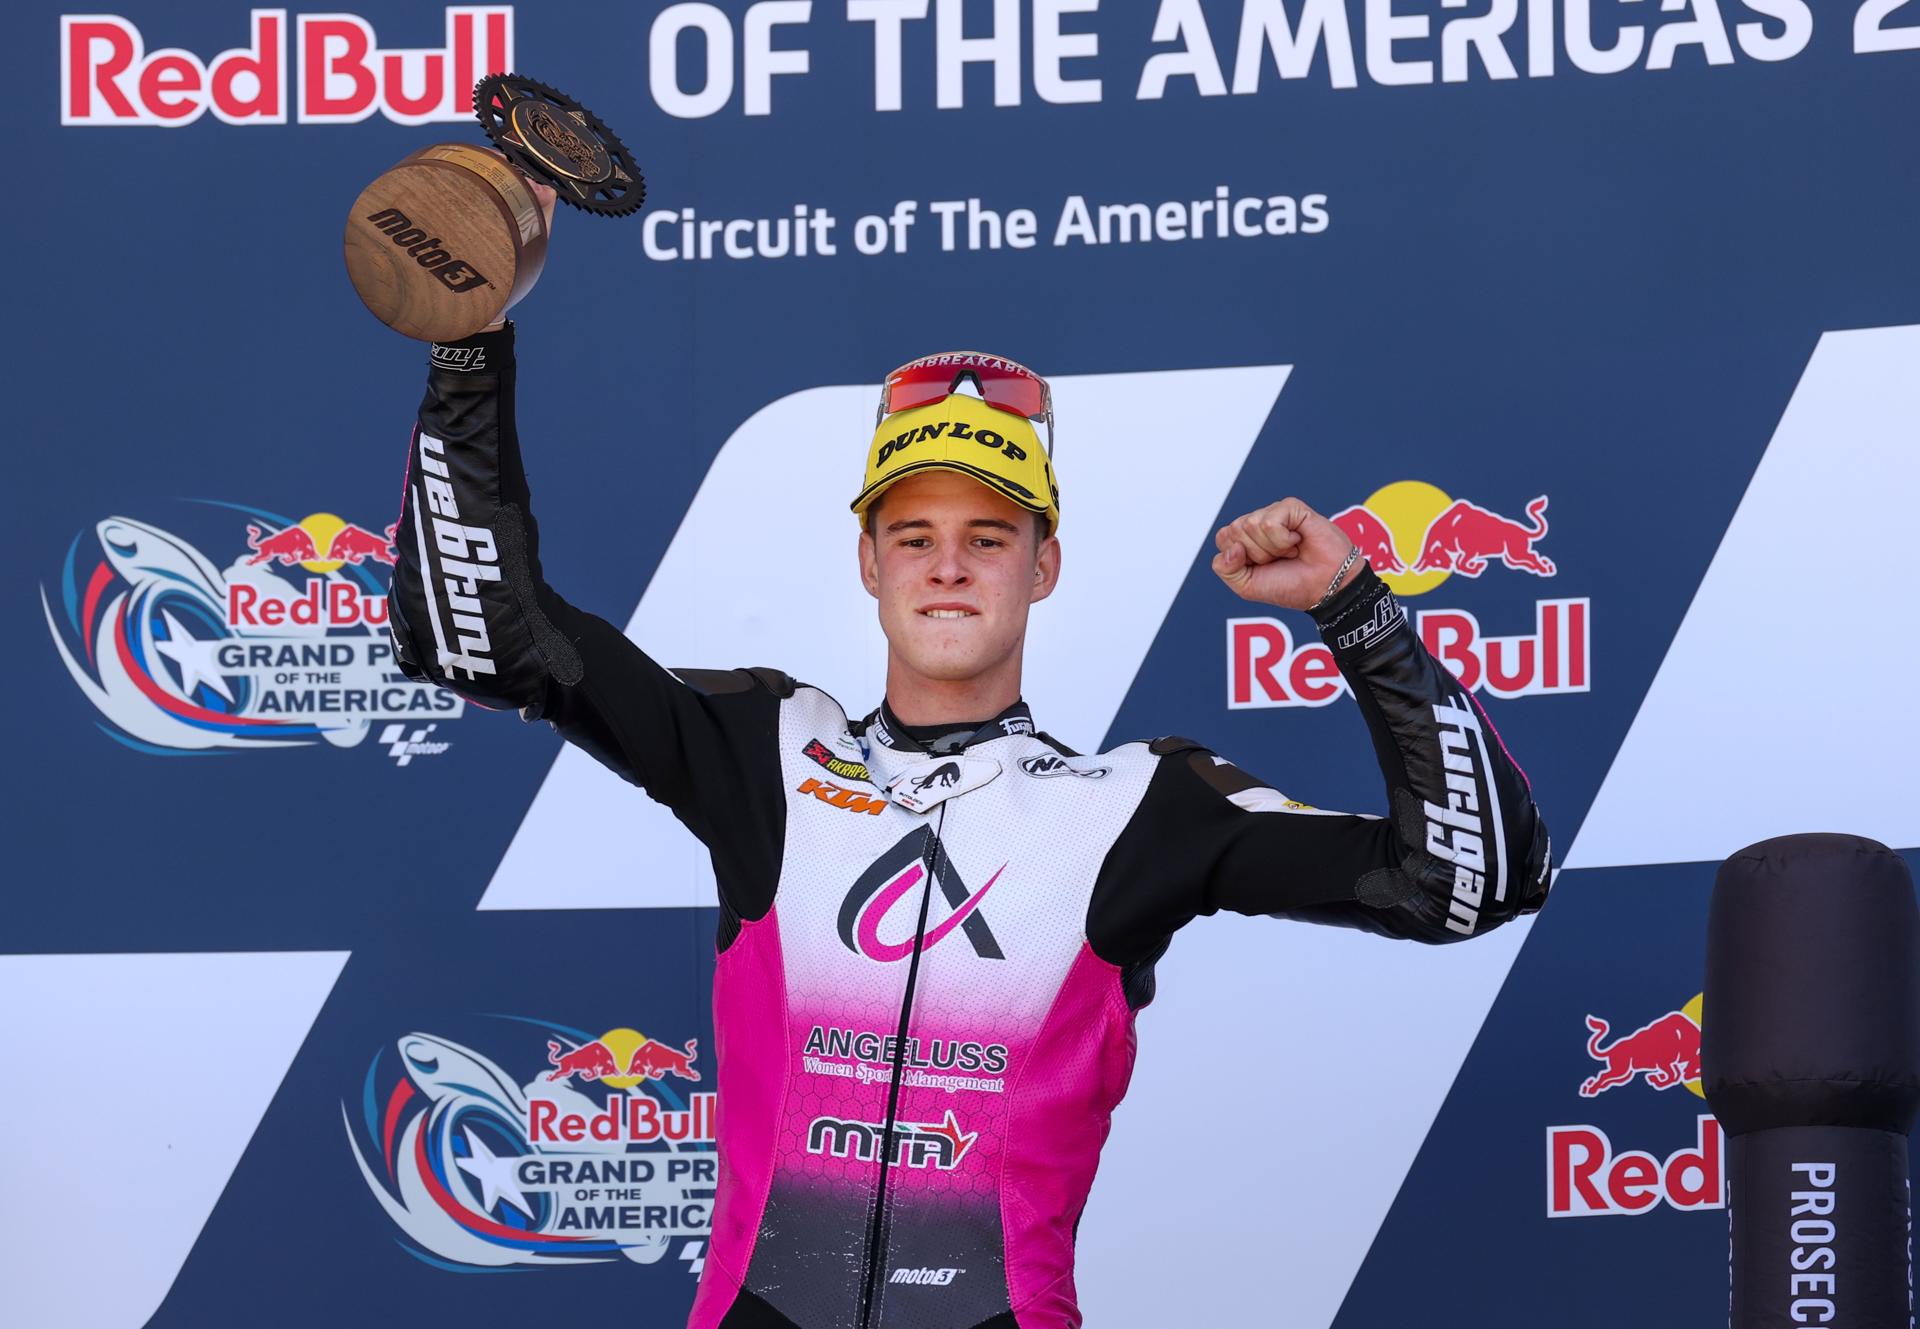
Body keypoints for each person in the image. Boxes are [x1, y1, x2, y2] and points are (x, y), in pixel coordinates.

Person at [385, 182, 1552, 1329]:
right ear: (870, 562)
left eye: (987, 538)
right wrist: (470, 350)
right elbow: (475, 633)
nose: (948, 567)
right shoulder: (760, 748)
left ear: (1042, 566)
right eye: (915, 536)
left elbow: (1472, 880)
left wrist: (1355, 608)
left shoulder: (1138, 805)